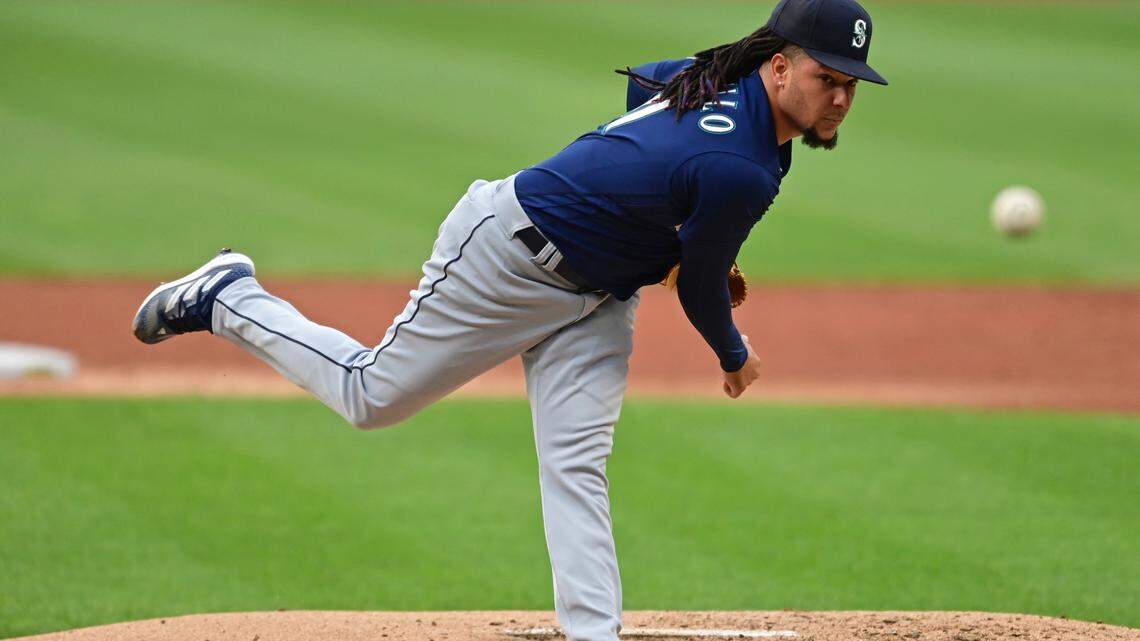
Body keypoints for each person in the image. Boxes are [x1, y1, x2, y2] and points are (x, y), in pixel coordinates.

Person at [131, 0, 886, 639]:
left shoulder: (721, 84)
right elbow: (699, 289)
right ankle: (229, 295)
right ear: (779, 68)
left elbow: (653, 89)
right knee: (371, 396)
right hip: (507, 256)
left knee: (577, 464)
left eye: (850, 84)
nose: (841, 99)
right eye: (827, 78)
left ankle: (592, 630)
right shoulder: (744, 167)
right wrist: (733, 351)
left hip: (600, 295)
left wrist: (649, 218)